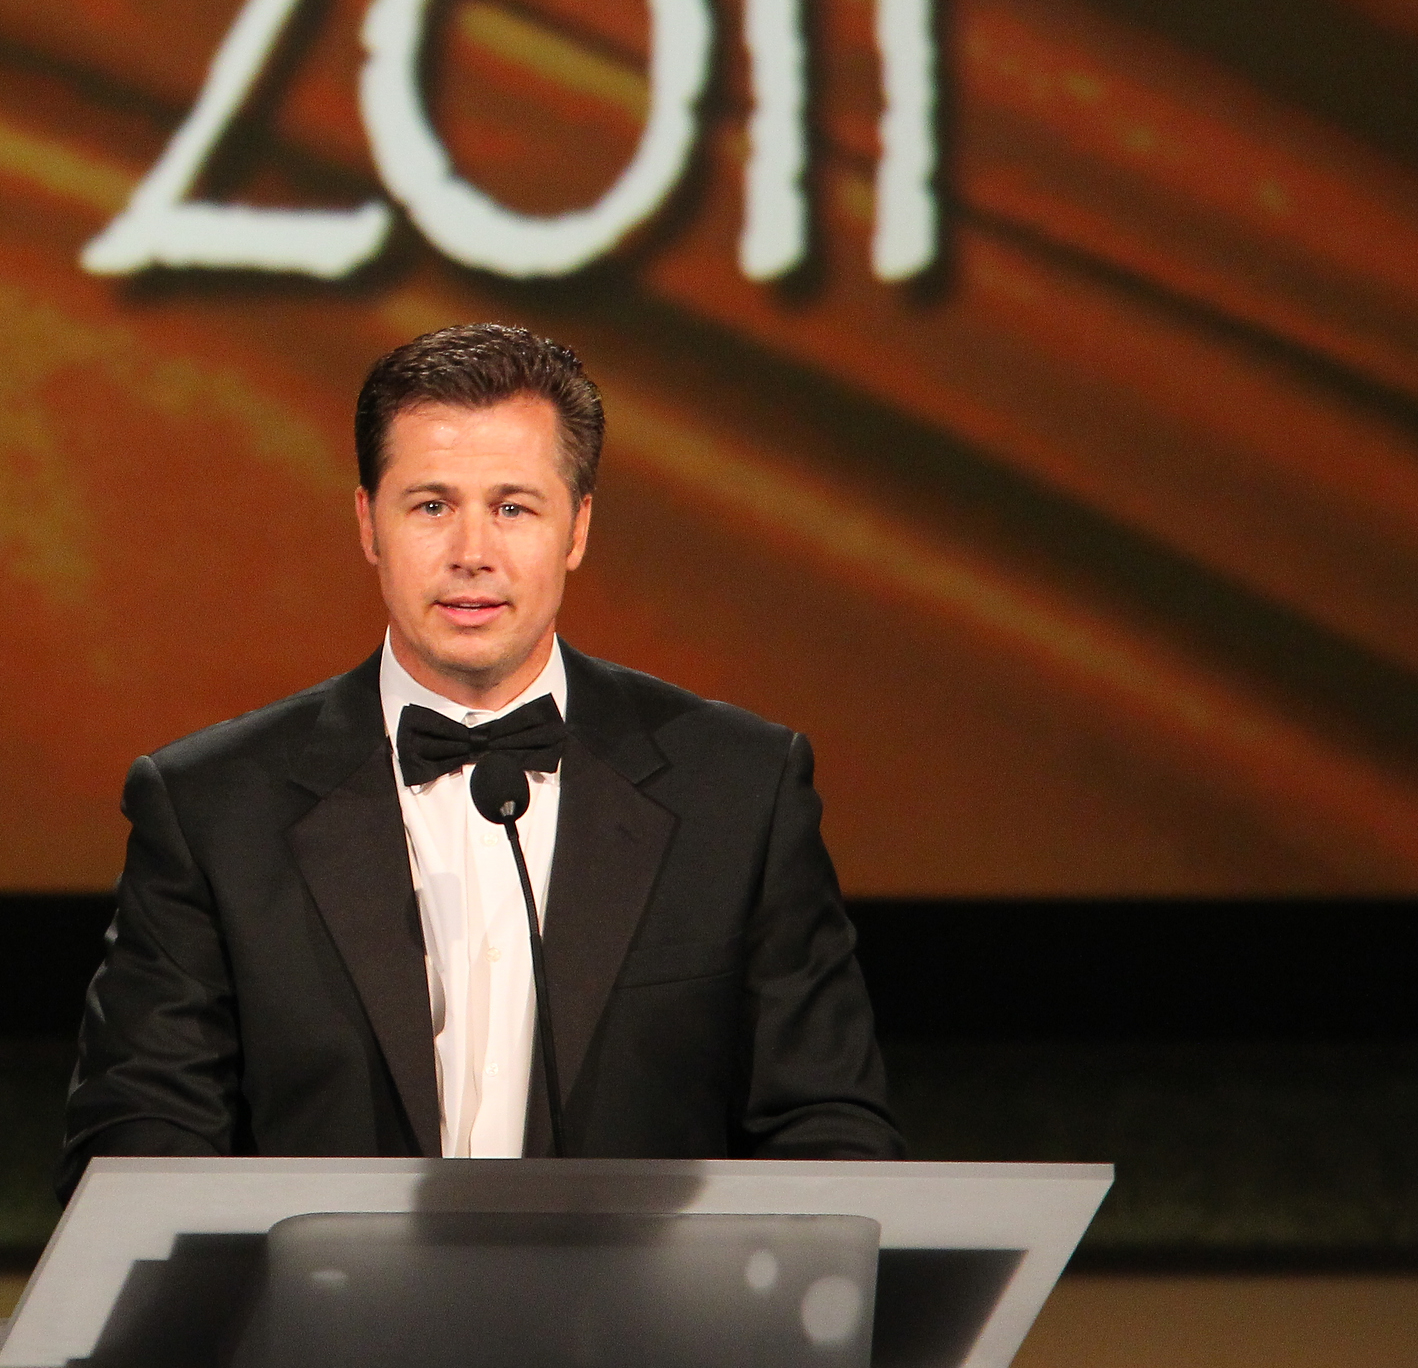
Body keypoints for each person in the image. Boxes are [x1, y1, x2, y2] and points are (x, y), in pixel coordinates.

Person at [62, 323, 898, 1193]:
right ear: (368, 525)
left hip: (640, 1324)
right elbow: (138, 1141)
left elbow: (828, 1129)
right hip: (333, 1322)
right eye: (431, 505)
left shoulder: (741, 791)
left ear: (576, 529)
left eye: (513, 507)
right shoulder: (211, 808)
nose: (472, 552)